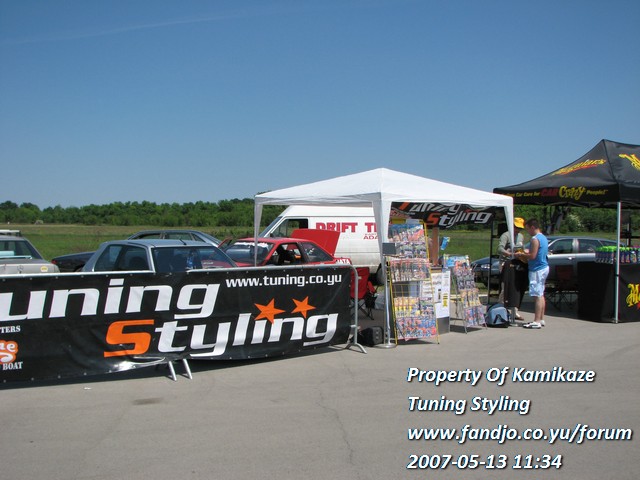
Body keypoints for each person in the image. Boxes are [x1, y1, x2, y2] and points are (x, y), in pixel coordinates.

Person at [516, 218, 549, 329]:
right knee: (541, 293)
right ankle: (541, 319)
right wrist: (526, 252)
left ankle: (537, 321)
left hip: (537, 269)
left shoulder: (535, 239)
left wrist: (521, 255)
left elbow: (532, 255)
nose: (528, 232)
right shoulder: (543, 237)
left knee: (537, 294)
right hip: (543, 267)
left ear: (533, 227)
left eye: (528, 229)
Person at [497, 218, 525, 319]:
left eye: (520, 228)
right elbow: (499, 248)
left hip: (516, 263)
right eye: (516, 227)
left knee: (516, 287)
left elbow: (521, 247)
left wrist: (521, 253)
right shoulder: (506, 235)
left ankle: (514, 311)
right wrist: (509, 253)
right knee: (505, 286)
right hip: (505, 263)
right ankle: (500, 307)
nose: (518, 230)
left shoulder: (521, 236)